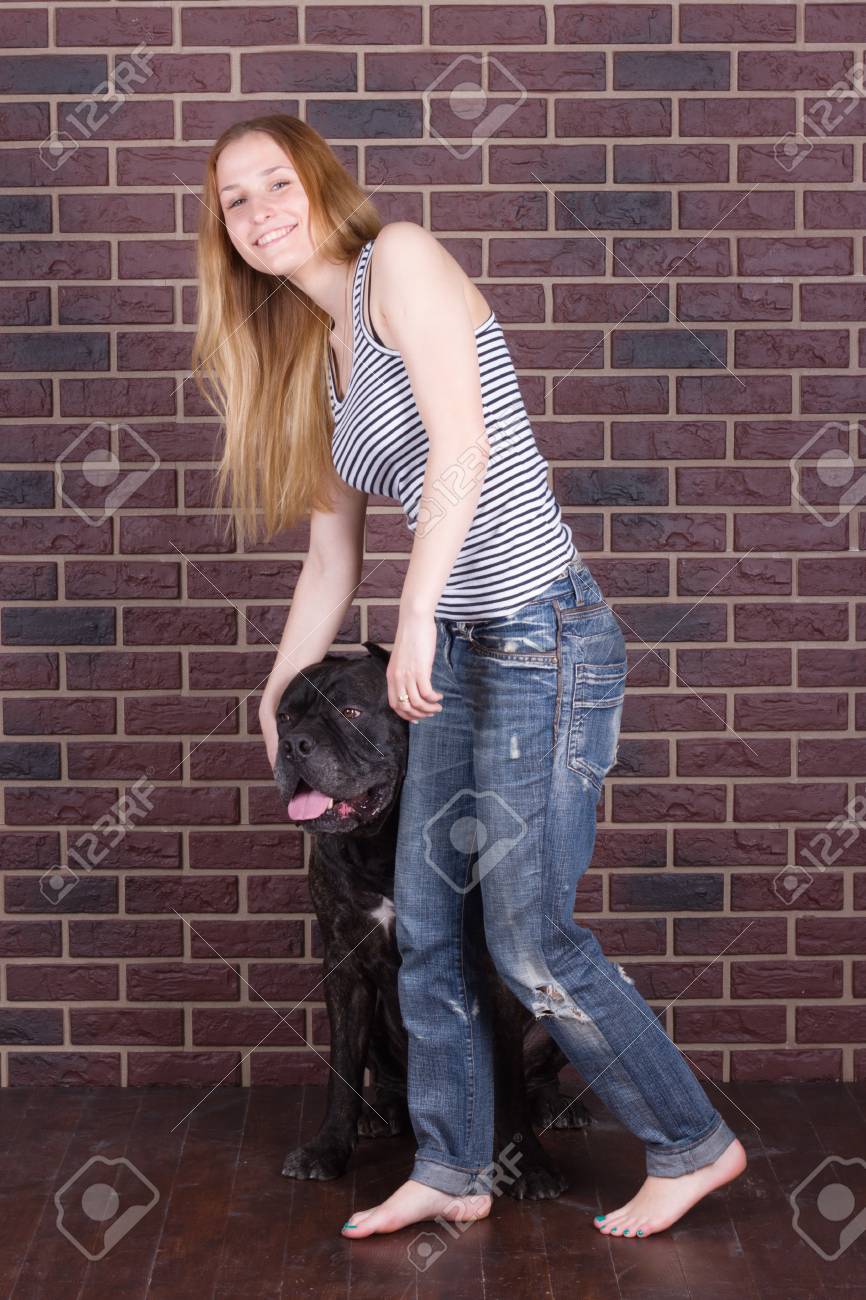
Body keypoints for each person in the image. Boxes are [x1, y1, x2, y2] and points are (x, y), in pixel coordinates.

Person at [195, 113, 748, 1244]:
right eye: (233, 201)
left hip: (541, 632)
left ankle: (693, 1143)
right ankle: (452, 1165)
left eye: (274, 182)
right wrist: (277, 690)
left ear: (320, 182)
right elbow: (329, 559)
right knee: (428, 931)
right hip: (452, 649)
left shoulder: (397, 262)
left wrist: (411, 618)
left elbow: (464, 446)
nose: (259, 212)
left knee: (528, 939)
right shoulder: (315, 361)